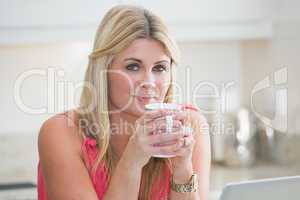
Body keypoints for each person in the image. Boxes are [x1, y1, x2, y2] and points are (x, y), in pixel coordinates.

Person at [37, 5, 211, 200]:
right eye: (133, 66)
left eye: (160, 68)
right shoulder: (61, 132)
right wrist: (133, 160)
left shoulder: (191, 125)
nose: (149, 82)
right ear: (104, 71)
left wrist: (183, 168)